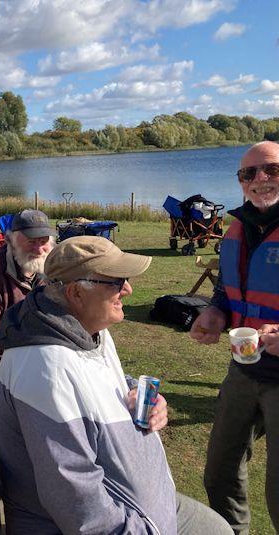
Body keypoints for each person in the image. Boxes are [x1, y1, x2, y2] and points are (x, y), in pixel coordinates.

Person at [0, 236, 232, 534]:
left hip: (148, 510)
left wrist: (136, 392)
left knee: (217, 528)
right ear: (76, 293)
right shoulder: (45, 370)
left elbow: (95, 380)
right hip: (121, 525)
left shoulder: (85, 329)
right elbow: (77, 504)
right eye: (117, 282)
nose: (129, 289)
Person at [190, 141, 279, 534]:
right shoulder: (238, 225)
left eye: (272, 169)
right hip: (243, 371)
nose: (260, 179)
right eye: (249, 173)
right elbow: (227, 288)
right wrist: (214, 311)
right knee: (220, 472)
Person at [0, 209, 55, 388]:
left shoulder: (53, 267)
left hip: (39, 359)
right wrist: (24, 364)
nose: (38, 249)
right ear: (12, 240)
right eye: (31, 241)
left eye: (43, 241)